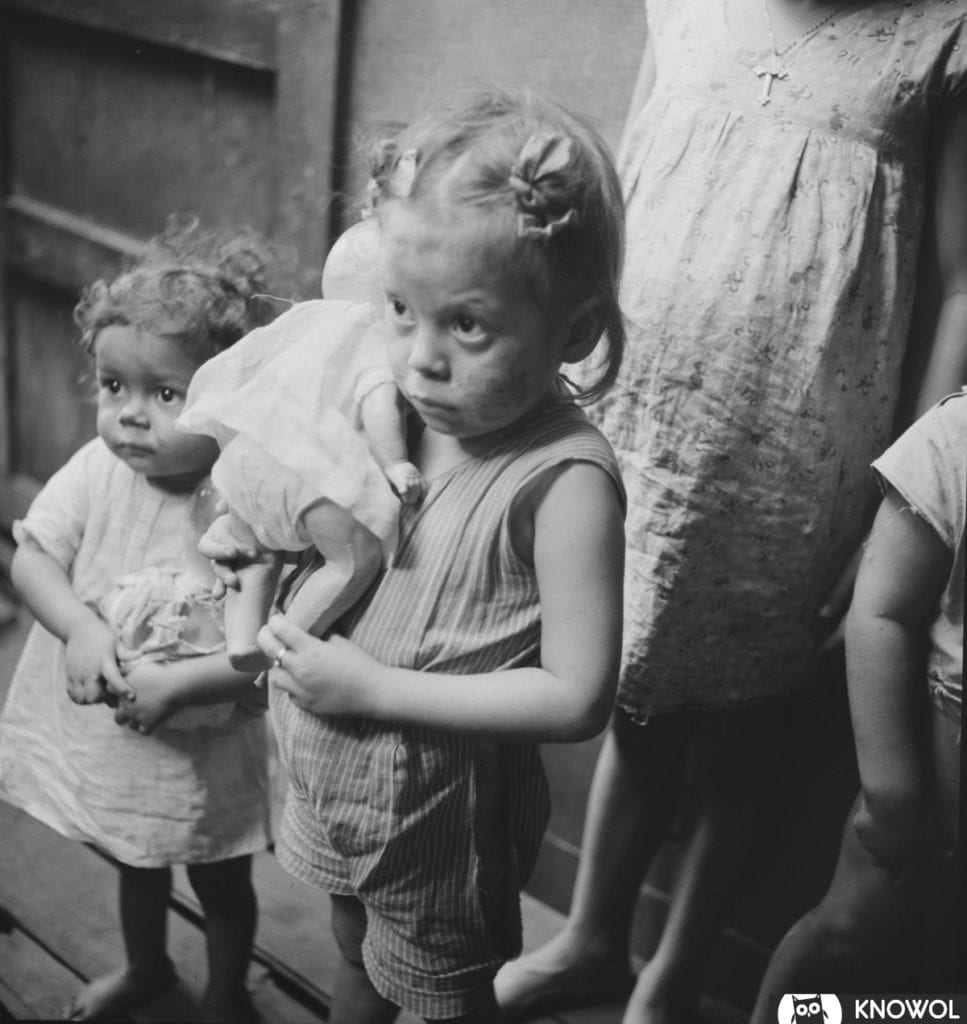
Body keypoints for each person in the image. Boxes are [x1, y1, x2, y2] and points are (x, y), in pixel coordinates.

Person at [495, 1, 967, 1020]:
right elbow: (613, 193)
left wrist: (906, 494)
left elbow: (961, 285)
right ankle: (590, 938)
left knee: (748, 726)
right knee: (637, 687)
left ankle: (668, 977)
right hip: (646, 416)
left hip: (804, 441)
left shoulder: (937, 37)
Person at [203, 87, 628, 1024]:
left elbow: (575, 695)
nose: (419, 359)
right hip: (335, 770)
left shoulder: (562, 483)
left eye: (466, 325)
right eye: (401, 309)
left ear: (575, 330)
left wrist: (374, 691)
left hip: (440, 821)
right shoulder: (397, 407)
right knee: (354, 944)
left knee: (440, 993)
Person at [0, 219, 274, 1023]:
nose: (128, 416)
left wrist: (185, 684)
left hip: (207, 741)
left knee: (221, 874)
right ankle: (147, 965)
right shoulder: (95, 472)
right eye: (112, 387)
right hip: (117, 725)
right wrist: (81, 632)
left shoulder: (246, 496)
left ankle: (227, 993)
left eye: (164, 394)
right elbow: (32, 559)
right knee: (133, 856)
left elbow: (264, 644)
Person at [750, 391, 965, 1013]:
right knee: (843, 940)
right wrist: (892, 796)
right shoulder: (960, 434)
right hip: (928, 780)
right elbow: (880, 608)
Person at [177, 215, 422, 673]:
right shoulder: (373, 335)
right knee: (351, 562)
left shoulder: (308, 323)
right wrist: (395, 463)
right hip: (307, 472)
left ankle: (241, 639)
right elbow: (377, 401)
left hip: (247, 462)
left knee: (251, 554)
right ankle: (281, 641)